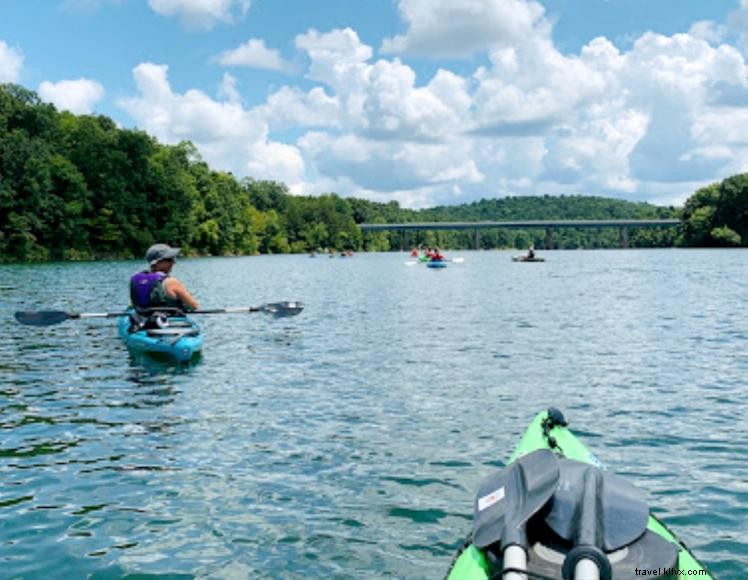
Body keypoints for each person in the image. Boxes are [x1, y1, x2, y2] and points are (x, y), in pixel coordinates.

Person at [130, 243, 199, 314]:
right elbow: (194, 306)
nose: (174, 262)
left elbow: (133, 303)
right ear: (156, 262)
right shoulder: (171, 282)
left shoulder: (135, 279)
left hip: (142, 320)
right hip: (166, 321)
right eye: (169, 259)